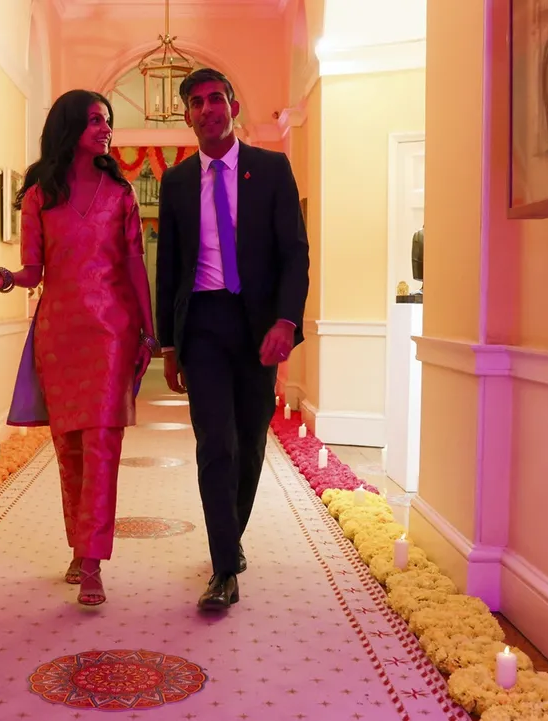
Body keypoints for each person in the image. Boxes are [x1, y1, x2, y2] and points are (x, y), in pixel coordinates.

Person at [0, 90, 158, 607]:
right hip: (59, 333)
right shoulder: (41, 196)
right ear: (71, 126)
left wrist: (148, 333)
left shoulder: (121, 195)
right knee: (70, 449)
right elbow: (35, 271)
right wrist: (7, 276)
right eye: (97, 119)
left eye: (108, 120)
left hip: (111, 333)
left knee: (102, 445)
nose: (106, 128)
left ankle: (94, 561)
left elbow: (133, 269)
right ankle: (79, 545)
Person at [156, 68, 310, 611]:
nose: (206, 110)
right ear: (187, 115)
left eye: (214, 99)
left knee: (248, 443)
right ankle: (224, 566)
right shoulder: (176, 183)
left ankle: (231, 538)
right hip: (202, 324)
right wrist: (169, 346)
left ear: (233, 104)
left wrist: (286, 323)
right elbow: (168, 267)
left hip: (258, 328)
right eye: (195, 103)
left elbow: (294, 253)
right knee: (213, 445)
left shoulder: (270, 170)